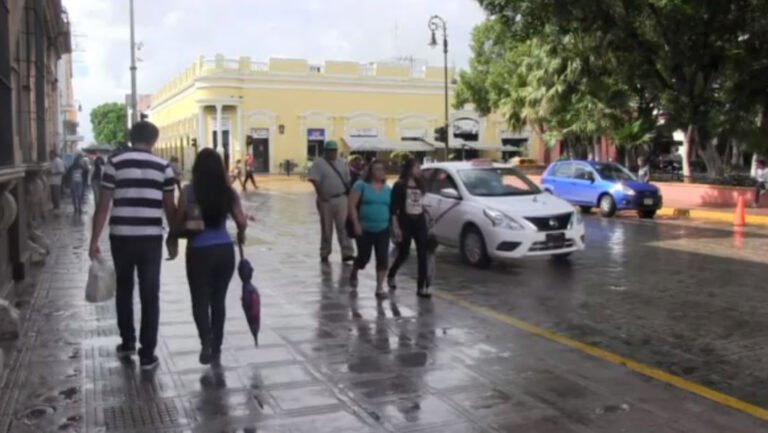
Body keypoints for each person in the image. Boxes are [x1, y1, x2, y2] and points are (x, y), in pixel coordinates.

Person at [89, 121, 177, 370]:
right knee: (150, 294)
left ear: (130, 137)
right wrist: (173, 238)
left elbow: (103, 205)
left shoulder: (114, 163)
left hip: (121, 237)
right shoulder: (164, 167)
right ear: (154, 140)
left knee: (125, 290)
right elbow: (169, 208)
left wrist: (94, 240)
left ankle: (127, 342)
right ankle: (147, 353)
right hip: (150, 238)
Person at [174, 148, 247, 365]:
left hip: (198, 250)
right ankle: (217, 345)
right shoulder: (228, 192)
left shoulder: (188, 191)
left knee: (199, 300)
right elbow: (241, 222)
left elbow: (178, 222)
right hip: (225, 250)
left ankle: (205, 342)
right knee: (218, 300)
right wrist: (240, 236)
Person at [348, 160, 392, 299]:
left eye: (382, 169)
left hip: (383, 228)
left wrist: (395, 226)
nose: (380, 172)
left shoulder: (388, 189)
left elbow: (392, 209)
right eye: (376, 169)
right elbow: (352, 206)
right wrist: (356, 223)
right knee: (364, 258)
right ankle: (355, 269)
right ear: (371, 171)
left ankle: (379, 287)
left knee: (382, 258)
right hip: (365, 228)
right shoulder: (361, 186)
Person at [388, 159, 431, 298]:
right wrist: (396, 226)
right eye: (417, 167)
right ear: (410, 169)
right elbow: (394, 208)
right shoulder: (400, 185)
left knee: (423, 253)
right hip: (405, 222)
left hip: (419, 222)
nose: (419, 169)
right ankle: (392, 273)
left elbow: (420, 202)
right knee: (404, 253)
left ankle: (421, 287)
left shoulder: (421, 184)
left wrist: (426, 211)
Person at [307, 140, 356, 263]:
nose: (332, 153)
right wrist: (321, 194)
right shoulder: (319, 163)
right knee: (326, 228)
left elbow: (347, 179)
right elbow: (314, 180)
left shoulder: (342, 162)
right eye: (330, 151)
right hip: (326, 200)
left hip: (341, 198)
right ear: (326, 151)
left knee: (343, 227)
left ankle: (347, 252)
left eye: (334, 150)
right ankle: (325, 252)